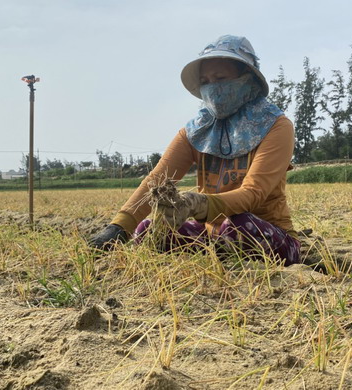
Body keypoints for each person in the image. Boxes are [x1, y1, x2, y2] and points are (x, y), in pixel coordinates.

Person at [90, 35, 300, 265]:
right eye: (206, 81)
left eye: (220, 78)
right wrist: (119, 227)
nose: (213, 87)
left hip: (266, 235)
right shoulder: (196, 131)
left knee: (237, 225)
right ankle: (214, 259)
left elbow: (253, 193)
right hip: (210, 236)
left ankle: (223, 262)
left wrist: (198, 204)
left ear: (247, 79)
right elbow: (157, 179)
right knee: (148, 231)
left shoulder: (276, 126)